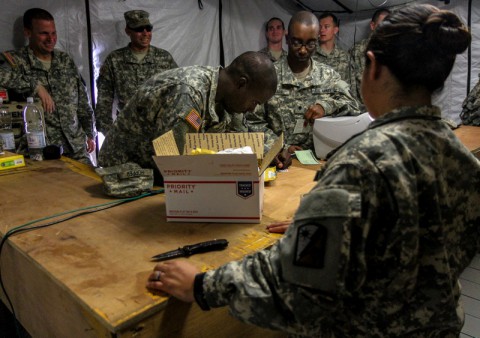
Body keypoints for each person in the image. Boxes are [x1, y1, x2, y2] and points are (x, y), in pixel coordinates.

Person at [146, 4, 480, 336]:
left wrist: (203, 285)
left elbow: (295, 282)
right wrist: (332, 223)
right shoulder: (463, 159)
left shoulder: (360, 165)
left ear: (373, 68)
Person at [98, 51, 277, 184]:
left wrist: (270, 150)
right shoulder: (188, 94)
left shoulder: (226, 97)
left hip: (155, 176)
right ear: (241, 83)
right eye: (254, 101)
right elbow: (173, 166)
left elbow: (240, 141)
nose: (252, 109)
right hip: (124, 175)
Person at [248, 11, 360, 169]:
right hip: (280, 164)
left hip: (318, 165)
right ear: (287, 39)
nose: (303, 50)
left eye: (310, 44)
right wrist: (279, 147)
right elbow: (252, 122)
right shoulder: (267, 77)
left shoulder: (327, 76)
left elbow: (353, 106)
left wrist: (325, 106)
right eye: (297, 43)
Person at [0, 8, 96, 165]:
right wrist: (35, 86)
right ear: (27, 32)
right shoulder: (15, 62)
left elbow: (82, 102)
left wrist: (90, 133)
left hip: (75, 148)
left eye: (53, 33)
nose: (50, 39)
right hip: (41, 152)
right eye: (44, 33)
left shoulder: (65, 60)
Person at [95, 10, 178, 135]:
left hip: (159, 132)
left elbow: (178, 93)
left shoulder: (164, 58)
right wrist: (109, 134)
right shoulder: (115, 60)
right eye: (139, 29)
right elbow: (104, 101)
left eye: (148, 28)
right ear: (128, 31)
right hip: (127, 134)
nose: (145, 33)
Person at [349, 8, 390, 108]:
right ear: (372, 25)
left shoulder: (395, 50)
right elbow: (351, 82)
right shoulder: (357, 50)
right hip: (363, 109)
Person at [312, 12, 350, 82]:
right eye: (320, 27)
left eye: (326, 26)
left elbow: (351, 86)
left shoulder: (344, 57)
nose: (322, 30)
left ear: (335, 30)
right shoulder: (310, 54)